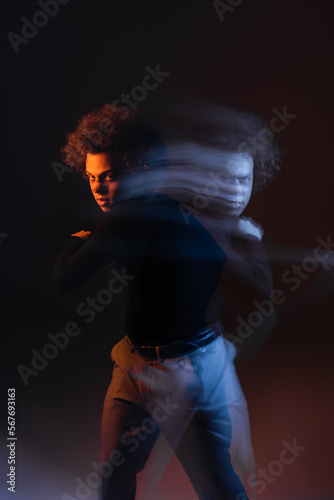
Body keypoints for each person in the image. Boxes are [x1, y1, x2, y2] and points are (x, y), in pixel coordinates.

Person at [55, 100, 284, 500]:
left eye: (243, 180)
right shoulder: (161, 214)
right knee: (115, 474)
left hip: (191, 367)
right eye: (93, 177)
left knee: (216, 482)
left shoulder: (198, 224)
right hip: (136, 361)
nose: (235, 191)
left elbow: (260, 291)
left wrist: (248, 242)